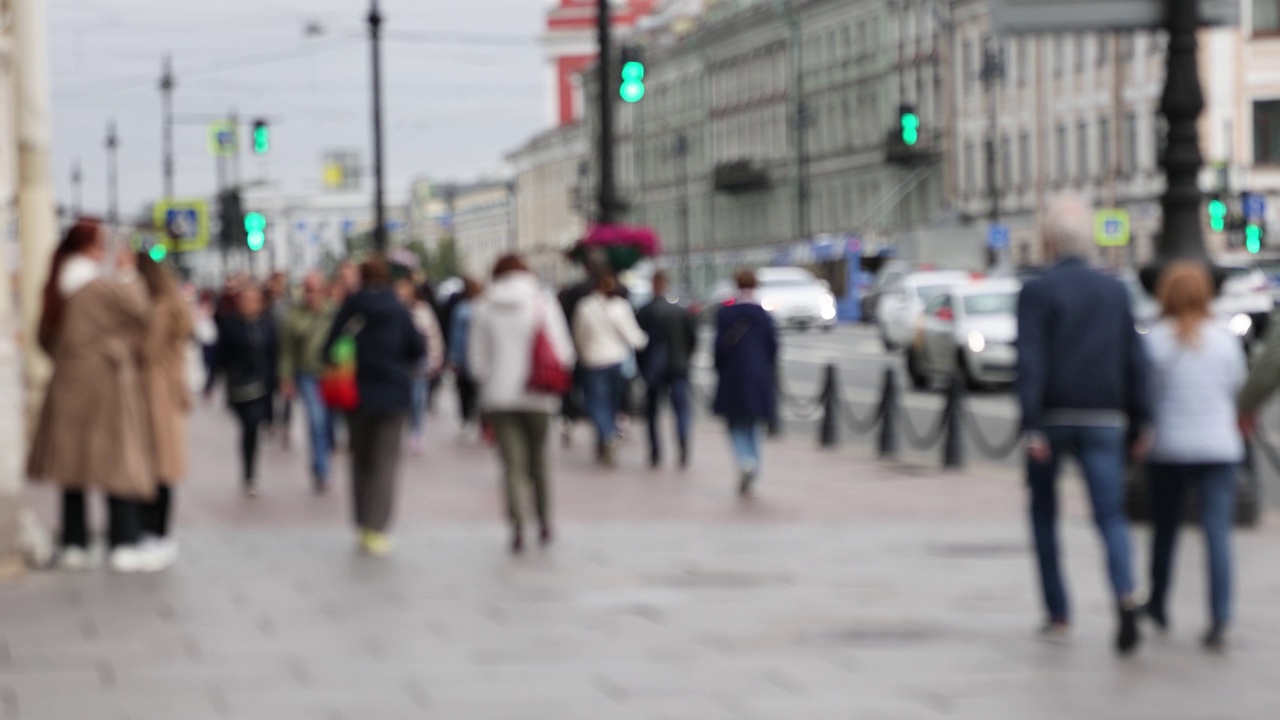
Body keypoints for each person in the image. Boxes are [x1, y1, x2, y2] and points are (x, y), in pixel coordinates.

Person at [1015, 194, 1151, 655]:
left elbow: (1031, 361)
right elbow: (1135, 359)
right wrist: (1142, 420)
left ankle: (1058, 613)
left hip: (1052, 418)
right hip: (1104, 418)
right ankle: (1125, 595)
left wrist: (1031, 425)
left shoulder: (1037, 291)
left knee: (1043, 515)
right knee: (1110, 515)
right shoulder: (1114, 290)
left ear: (1049, 241)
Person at [27, 219, 165, 573]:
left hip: (68, 385)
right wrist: (128, 273)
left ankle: (75, 541)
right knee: (117, 461)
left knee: (73, 467)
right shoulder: (95, 285)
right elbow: (140, 312)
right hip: (105, 384)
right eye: (100, 242)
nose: (105, 249)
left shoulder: (58, 284)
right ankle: (124, 542)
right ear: (88, 247)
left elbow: (43, 338)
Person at [1140, 261, 1246, 653]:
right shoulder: (1224, 340)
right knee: (1216, 533)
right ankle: (1220, 616)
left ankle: (1158, 604)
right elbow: (1236, 387)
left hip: (1168, 447)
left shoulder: (1155, 340)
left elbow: (1146, 396)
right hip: (1219, 447)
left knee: (1165, 530)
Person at [469, 254, 575, 553]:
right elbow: (564, 352)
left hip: (499, 398)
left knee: (511, 465)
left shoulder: (484, 307)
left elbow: (476, 361)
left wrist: (491, 378)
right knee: (539, 461)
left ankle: (517, 526)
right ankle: (543, 522)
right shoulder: (542, 303)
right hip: (538, 395)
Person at [326, 257, 425, 557]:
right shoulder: (398, 308)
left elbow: (329, 347)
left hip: (356, 395)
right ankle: (378, 529)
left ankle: (361, 523)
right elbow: (418, 349)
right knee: (385, 464)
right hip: (394, 396)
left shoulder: (351, 306)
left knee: (360, 461)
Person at [136, 255, 194, 566]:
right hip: (169, 391)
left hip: (155, 391)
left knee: (157, 463)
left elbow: (147, 349)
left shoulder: (159, 309)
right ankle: (159, 531)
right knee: (165, 463)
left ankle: (156, 531)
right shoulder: (175, 306)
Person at [207, 285, 278, 497]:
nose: (248, 304)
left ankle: (250, 474)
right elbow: (219, 356)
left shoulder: (267, 326)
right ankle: (248, 472)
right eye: (244, 299)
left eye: (252, 299)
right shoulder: (231, 326)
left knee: (253, 425)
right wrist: (211, 382)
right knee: (248, 424)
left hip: (262, 384)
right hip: (239, 385)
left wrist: (280, 379)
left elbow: (275, 354)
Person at [712, 269, 778, 497]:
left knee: (734, 424)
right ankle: (753, 465)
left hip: (732, 375)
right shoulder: (764, 315)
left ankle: (745, 461)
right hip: (758, 376)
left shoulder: (727, 313)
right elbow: (773, 349)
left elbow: (719, 349)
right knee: (753, 425)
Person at [572, 273, 648, 466]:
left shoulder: (585, 306)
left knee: (596, 403)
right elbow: (633, 336)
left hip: (593, 361)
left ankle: (606, 436)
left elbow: (578, 334)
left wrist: (582, 354)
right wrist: (645, 341)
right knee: (612, 404)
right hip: (616, 360)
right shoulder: (621, 306)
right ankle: (608, 435)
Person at [279, 272, 337, 493]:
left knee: (330, 422)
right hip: (307, 374)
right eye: (307, 288)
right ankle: (322, 469)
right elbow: (287, 351)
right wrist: (285, 377)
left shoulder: (333, 312)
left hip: (332, 374)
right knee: (316, 419)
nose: (310, 293)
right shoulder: (294, 315)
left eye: (315, 288)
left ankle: (321, 461)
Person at [637, 271, 698, 469]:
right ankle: (682, 445)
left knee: (653, 412)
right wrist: (686, 358)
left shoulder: (645, 311)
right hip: (678, 366)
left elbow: (638, 343)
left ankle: (655, 451)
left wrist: (642, 368)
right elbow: (692, 339)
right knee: (681, 409)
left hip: (654, 369)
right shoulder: (680, 311)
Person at [394, 277, 445, 454]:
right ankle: (406, 430)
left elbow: (433, 334)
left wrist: (436, 358)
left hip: (419, 359)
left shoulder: (422, 309)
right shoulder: (393, 310)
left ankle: (416, 432)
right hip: (399, 361)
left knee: (417, 398)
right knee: (403, 400)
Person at [448, 277, 484, 434]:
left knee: (463, 389)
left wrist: (454, 356)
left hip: (464, 355)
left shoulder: (461, 309)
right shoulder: (482, 307)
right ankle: (480, 417)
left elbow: (456, 335)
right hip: (479, 356)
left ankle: (466, 416)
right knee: (478, 389)